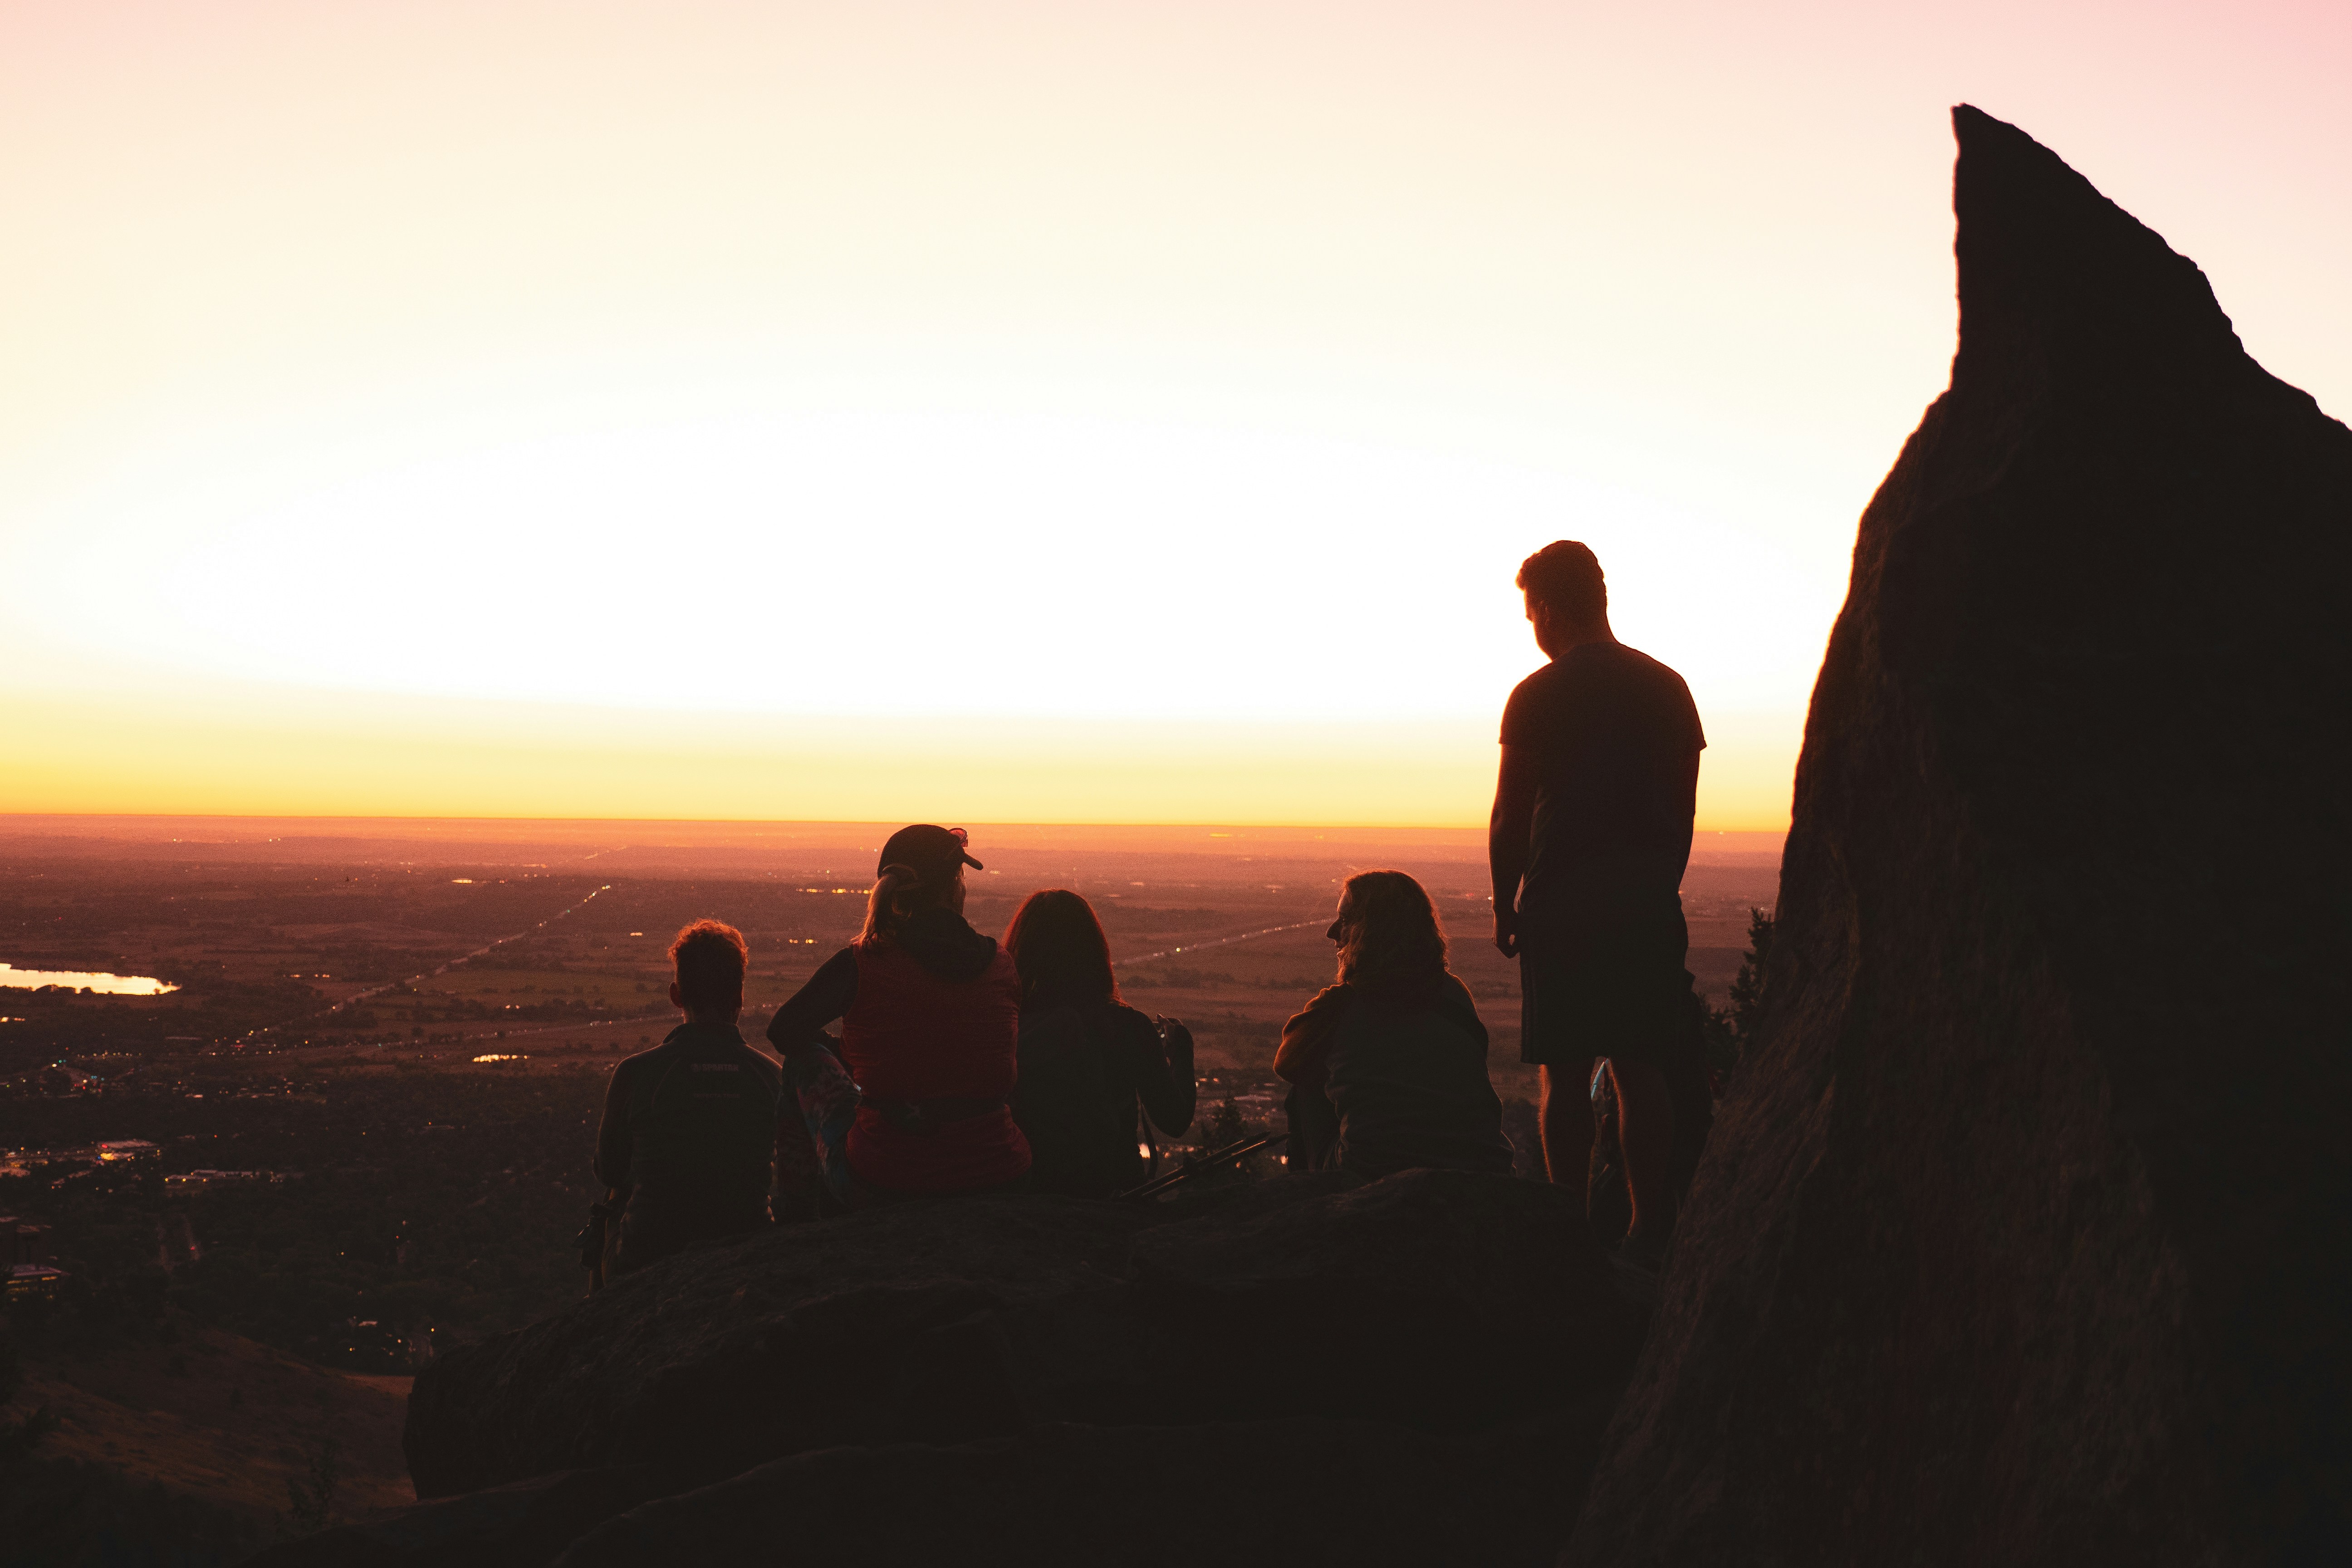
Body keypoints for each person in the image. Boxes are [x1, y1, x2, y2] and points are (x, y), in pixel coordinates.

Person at [1490, 539, 1708, 1259]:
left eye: (1531, 615)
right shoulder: (1669, 688)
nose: (1535, 630)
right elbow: (1683, 813)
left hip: (1562, 905)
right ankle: (1652, 1226)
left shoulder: (1537, 695)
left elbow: (1510, 814)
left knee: (1564, 1070)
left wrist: (1505, 902)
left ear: (1549, 607)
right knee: (1641, 1068)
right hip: (1645, 904)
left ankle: (1568, 1228)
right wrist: (1655, 887)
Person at [766, 825, 1029, 1209]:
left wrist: (846, 1052)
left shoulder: (861, 963)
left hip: (884, 1179)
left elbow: (784, 1031)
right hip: (1001, 1174)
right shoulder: (1002, 965)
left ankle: (798, 1218)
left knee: (801, 1063)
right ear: (955, 884)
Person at [1275, 870, 1515, 1180]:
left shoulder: (1341, 1006)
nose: (1332, 932)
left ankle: (1310, 1196)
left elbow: (1287, 1063)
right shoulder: (1454, 994)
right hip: (1480, 1166)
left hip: (1370, 1171)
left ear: (1372, 932)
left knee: (1305, 1085)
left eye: (1346, 920)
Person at [592, 920, 780, 1274]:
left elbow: (610, 1171)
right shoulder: (770, 1076)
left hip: (645, 1258)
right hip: (747, 1250)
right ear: (740, 997)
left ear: (676, 995)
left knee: (614, 1199)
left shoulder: (637, 1074)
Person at [1003, 889, 1197, 1199]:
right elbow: (1174, 1121)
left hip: (1034, 1188)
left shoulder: (1008, 1025)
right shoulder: (1128, 1026)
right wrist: (1182, 1054)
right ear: (1093, 949)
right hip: (1115, 1188)